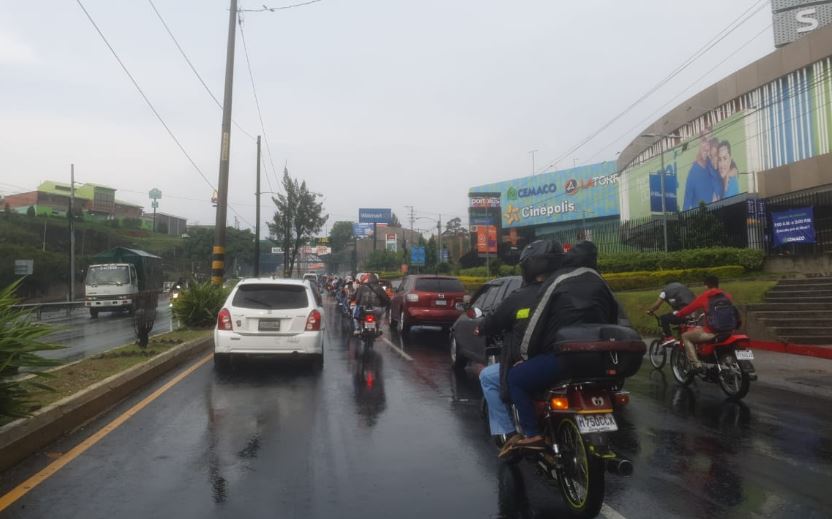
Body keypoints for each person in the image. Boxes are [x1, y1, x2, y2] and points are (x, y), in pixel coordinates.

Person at [503, 241, 620, 454]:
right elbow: (615, 319)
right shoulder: (600, 281)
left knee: (515, 379)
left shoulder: (557, 280)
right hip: (599, 359)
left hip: (563, 358)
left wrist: (525, 355)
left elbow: (536, 322)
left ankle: (533, 434)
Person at [477, 240, 563, 445]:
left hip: (542, 361)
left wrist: (481, 328)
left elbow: (495, 320)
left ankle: (510, 433)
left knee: (489, 377)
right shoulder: (568, 289)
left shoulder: (522, 296)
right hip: (582, 359)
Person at [674, 275, 734, 375]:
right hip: (729, 331)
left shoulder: (705, 296)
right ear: (717, 284)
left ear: (706, 285)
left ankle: (696, 365)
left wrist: (678, 314)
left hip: (712, 332)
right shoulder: (727, 296)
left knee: (685, 336)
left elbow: (689, 308)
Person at [646, 281, 695, 347]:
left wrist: (650, 310)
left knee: (664, 318)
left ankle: (669, 338)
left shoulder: (665, 291)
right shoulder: (683, 287)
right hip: (695, 313)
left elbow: (657, 305)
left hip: (683, 313)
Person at [683, 134, 718, 211]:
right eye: (704, 141)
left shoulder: (712, 167)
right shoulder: (693, 173)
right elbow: (686, 204)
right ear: (699, 143)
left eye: (709, 142)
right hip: (699, 219)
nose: (707, 146)